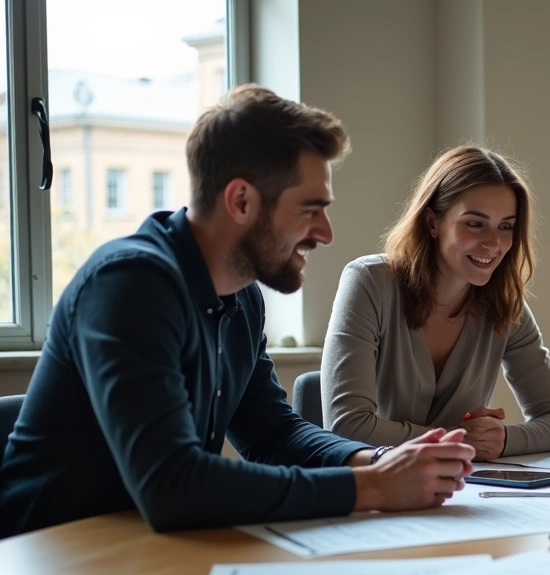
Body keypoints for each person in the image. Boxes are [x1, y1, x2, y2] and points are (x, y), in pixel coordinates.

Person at [0, 85, 475, 538]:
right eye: (310, 209)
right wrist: (371, 488)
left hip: (141, 548)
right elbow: (172, 485)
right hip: (47, 560)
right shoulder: (130, 285)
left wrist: (379, 461)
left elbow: (272, 435)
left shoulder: (242, 295)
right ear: (241, 200)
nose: (326, 233)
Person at [322, 146, 550, 461]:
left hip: (462, 492)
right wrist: (460, 440)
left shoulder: (505, 304)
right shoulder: (369, 283)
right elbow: (346, 426)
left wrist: (502, 438)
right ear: (432, 222)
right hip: (377, 489)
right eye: (474, 223)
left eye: (506, 226)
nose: (493, 243)